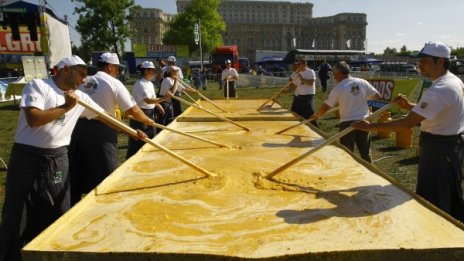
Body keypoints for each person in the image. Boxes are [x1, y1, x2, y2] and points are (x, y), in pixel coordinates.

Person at [0, 56, 105, 261]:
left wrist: (135, 132)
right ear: (66, 69)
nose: (84, 80)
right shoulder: (38, 86)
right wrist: (66, 108)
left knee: (57, 209)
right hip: (27, 156)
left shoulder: (80, 97)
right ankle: (11, 255)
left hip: (58, 157)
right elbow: (33, 119)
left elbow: (105, 116)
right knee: (17, 213)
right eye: (81, 74)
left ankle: (51, 253)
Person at [352, 42, 464, 222]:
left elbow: (407, 124)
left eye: (424, 61)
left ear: (440, 61)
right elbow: (439, 109)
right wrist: (409, 106)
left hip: (440, 148)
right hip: (447, 145)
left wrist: (370, 127)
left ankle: (439, 233)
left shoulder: (440, 89)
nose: (419, 65)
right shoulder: (452, 80)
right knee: (449, 192)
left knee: (435, 197)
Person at [69, 52, 154, 206]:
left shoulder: (84, 80)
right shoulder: (113, 82)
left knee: (77, 169)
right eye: (117, 69)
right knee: (106, 173)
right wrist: (147, 120)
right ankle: (107, 204)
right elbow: (133, 110)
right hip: (102, 129)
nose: (117, 73)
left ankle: (73, 203)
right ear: (110, 66)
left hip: (77, 128)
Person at [311, 61, 381, 163]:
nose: (334, 78)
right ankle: (372, 173)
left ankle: (350, 175)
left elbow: (326, 106)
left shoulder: (339, 88)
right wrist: (362, 98)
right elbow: (377, 96)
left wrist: (316, 116)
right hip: (364, 121)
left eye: (334, 75)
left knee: (347, 153)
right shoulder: (362, 82)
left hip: (348, 123)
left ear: (340, 74)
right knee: (365, 152)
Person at [126, 61, 169, 159]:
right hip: (140, 114)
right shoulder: (140, 84)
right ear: (145, 71)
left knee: (149, 139)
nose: (154, 73)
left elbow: (152, 98)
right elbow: (148, 100)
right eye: (152, 70)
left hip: (149, 113)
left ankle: (147, 158)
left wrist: (158, 105)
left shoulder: (149, 83)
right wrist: (164, 99)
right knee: (138, 142)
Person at [289, 59, 318, 127]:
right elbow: (294, 86)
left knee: (309, 114)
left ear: (305, 64)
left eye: (299, 64)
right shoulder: (298, 73)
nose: (298, 66)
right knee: (297, 114)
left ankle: (316, 128)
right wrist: (285, 91)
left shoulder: (310, 71)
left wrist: (302, 79)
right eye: (298, 64)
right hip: (300, 96)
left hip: (308, 96)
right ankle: (300, 127)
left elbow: (311, 83)